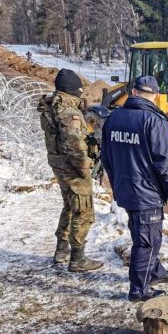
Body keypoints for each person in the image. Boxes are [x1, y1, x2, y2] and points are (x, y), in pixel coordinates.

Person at [101, 75, 168, 302]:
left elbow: (106, 157)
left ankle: (154, 271)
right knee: (146, 241)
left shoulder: (114, 118)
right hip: (147, 194)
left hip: (126, 190)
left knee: (143, 232)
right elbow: (165, 165)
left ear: (133, 92)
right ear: (155, 96)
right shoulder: (155, 121)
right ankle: (139, 289)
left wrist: (117, 184)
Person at [37, 69, 103, 272]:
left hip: (59, 164)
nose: (81, 93)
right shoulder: (69, 112)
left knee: (69, 206)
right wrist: (85, 168)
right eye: (79, 90)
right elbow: (73, 145)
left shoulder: (52, 106)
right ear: (72, 90)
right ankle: (78, 258)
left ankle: (62, 250)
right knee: (83, 210)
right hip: (72, 167)